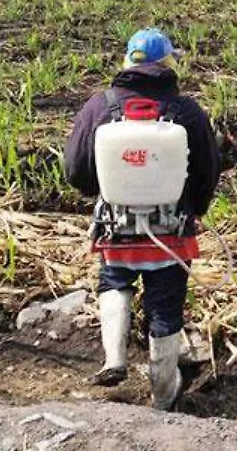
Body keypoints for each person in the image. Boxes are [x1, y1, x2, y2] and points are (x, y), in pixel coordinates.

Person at [64, 28, 220, 410]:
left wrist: (102, 192)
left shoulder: (100, 107)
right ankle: (164, 393)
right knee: (165, 306)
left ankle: (114, 358)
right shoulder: (187, 112)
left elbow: (76, 170)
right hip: (171, 235)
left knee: (115, 282)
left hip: (116, 231)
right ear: (167, 64)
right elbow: (207, 172)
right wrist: (194, 210)